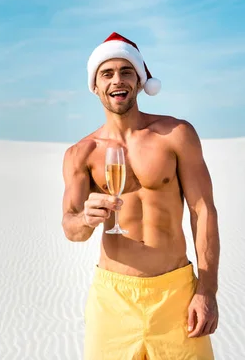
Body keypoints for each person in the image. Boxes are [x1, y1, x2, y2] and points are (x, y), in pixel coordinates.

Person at [61, 32, 220, 359]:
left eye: (126, 71)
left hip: (175, 293)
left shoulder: (176, 135)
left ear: (140, 79)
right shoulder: (82, 153)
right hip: (113, 298)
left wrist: (206, 291)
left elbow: (202, 211)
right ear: (95, 86)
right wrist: (85, 219)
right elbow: (71, 229)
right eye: (107, 73)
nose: (117, 80)